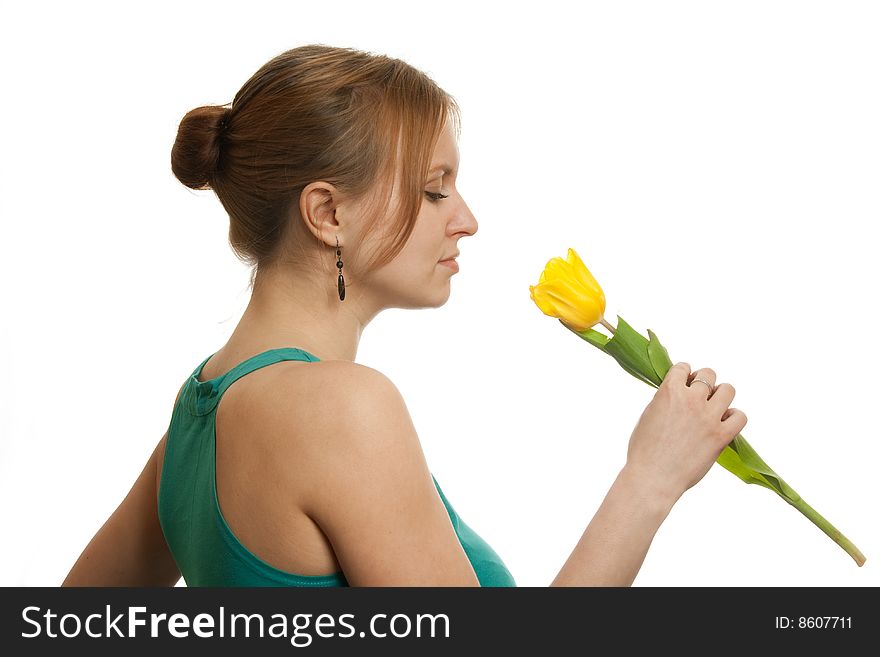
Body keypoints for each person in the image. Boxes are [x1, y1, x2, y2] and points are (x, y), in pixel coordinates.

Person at [62, 44, 747, 587]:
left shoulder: (198, 408)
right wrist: (648, 481)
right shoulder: (341, 408)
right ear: (329, 213)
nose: (468, 220)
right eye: (432, 190)